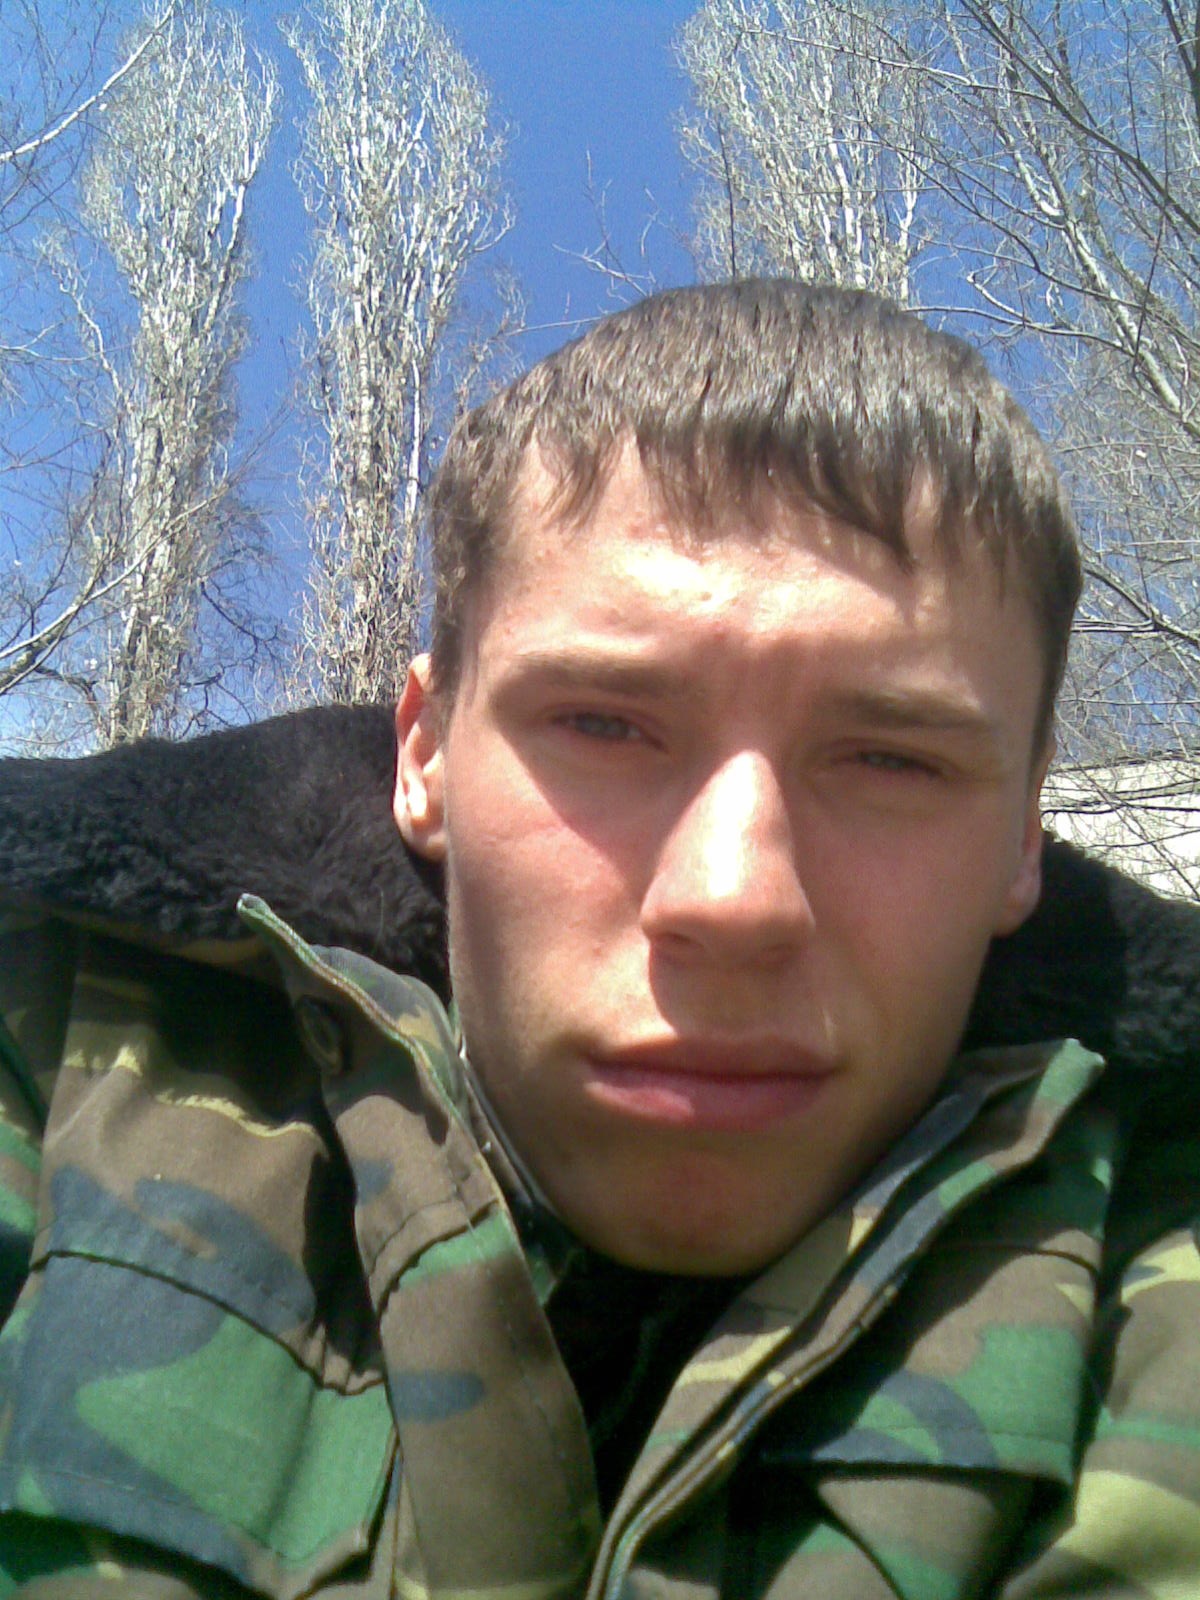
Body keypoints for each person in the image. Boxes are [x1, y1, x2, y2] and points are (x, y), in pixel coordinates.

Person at [0, 280, 1197, 1598]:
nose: (733, 899)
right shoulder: (50, 1056)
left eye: (892, 759)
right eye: (604, 725)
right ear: (425, 757)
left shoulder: (1162, 1253)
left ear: (1025, 838)